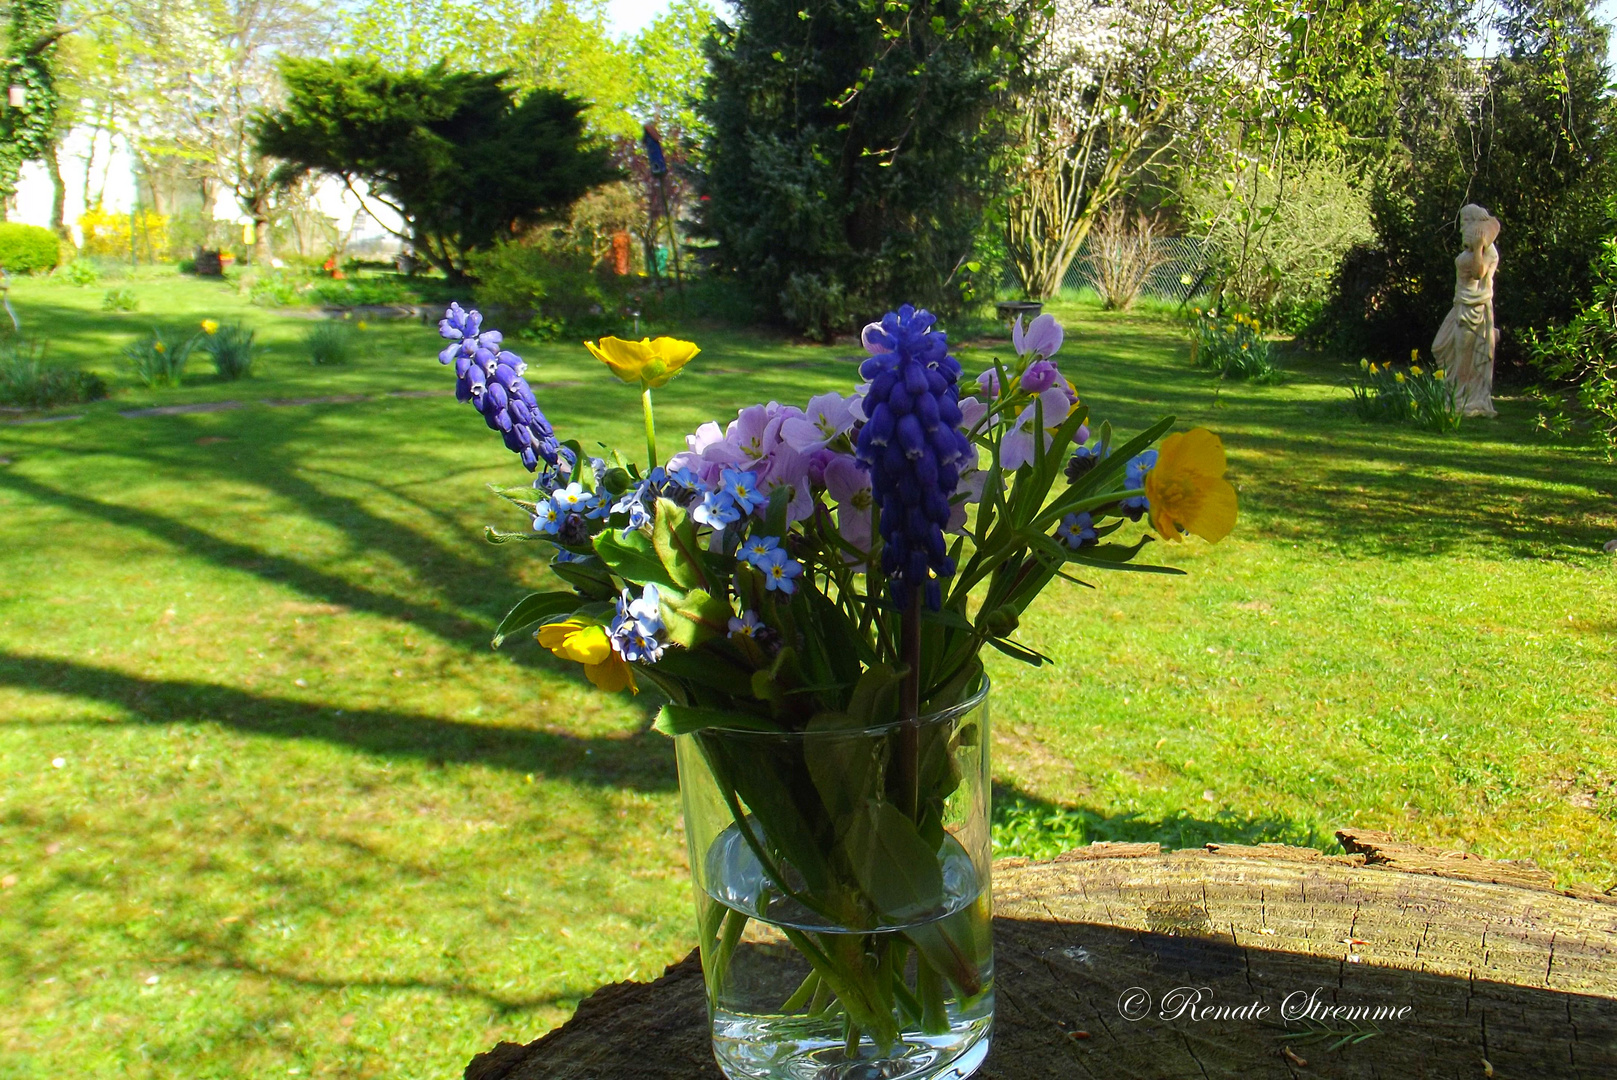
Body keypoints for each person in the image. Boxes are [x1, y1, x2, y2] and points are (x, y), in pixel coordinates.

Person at [1431, 204, 1501, 418]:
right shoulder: (1468, 249)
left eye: (1465, 224)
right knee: (1440, 347)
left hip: (1474, 310)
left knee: (1464, 357)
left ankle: (1464, 399)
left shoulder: (1487, 251)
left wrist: (1479, 246)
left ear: (1475, 223)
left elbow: (1478, 273)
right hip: (1459, 305)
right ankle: (1453, 394)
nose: (1462, 229)